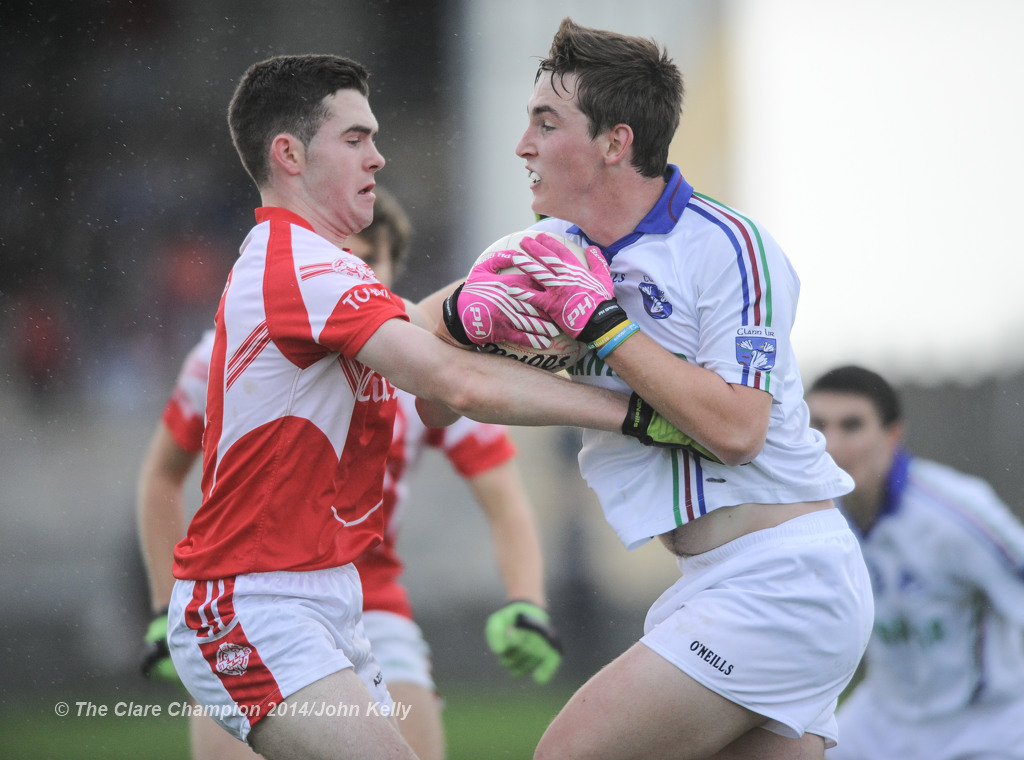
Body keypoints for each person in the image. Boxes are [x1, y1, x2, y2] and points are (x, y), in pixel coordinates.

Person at [163, 53, 682, 760]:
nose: (378, 157)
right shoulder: (297, 266)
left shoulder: (330, 267)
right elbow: (454, 385)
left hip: (325, 597)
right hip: (251, 601)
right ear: (287, 154)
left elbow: (430, 366)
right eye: (355, 139)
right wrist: (632, 412)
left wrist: (491, 289)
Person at [444, 18, 874, 760]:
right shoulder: (551, 252)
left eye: (547, 123)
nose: (523, 146)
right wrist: (458, 314)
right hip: (715, 582)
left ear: (615, 143)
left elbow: (737, 430)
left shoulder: (729, 246)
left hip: (783, 580)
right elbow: (447, 372)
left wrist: (603, 326)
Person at [137, 188, 561, 760]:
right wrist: (166, 607)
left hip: (371, 605)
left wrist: (526, 600)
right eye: (342, 256)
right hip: (254, 592)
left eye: (368, 261)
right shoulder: (228, 346)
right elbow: (162, 476)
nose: (350, 272)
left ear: (392, 272)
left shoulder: (424, 365)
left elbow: (504, 498)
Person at [805, 365, 1024, 760]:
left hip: (987, 723)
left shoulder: (959, 514)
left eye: (852, 425)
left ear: (892, 436)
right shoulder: (811, 518)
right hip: (884, 720)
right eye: (818, 425)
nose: (831, 444)